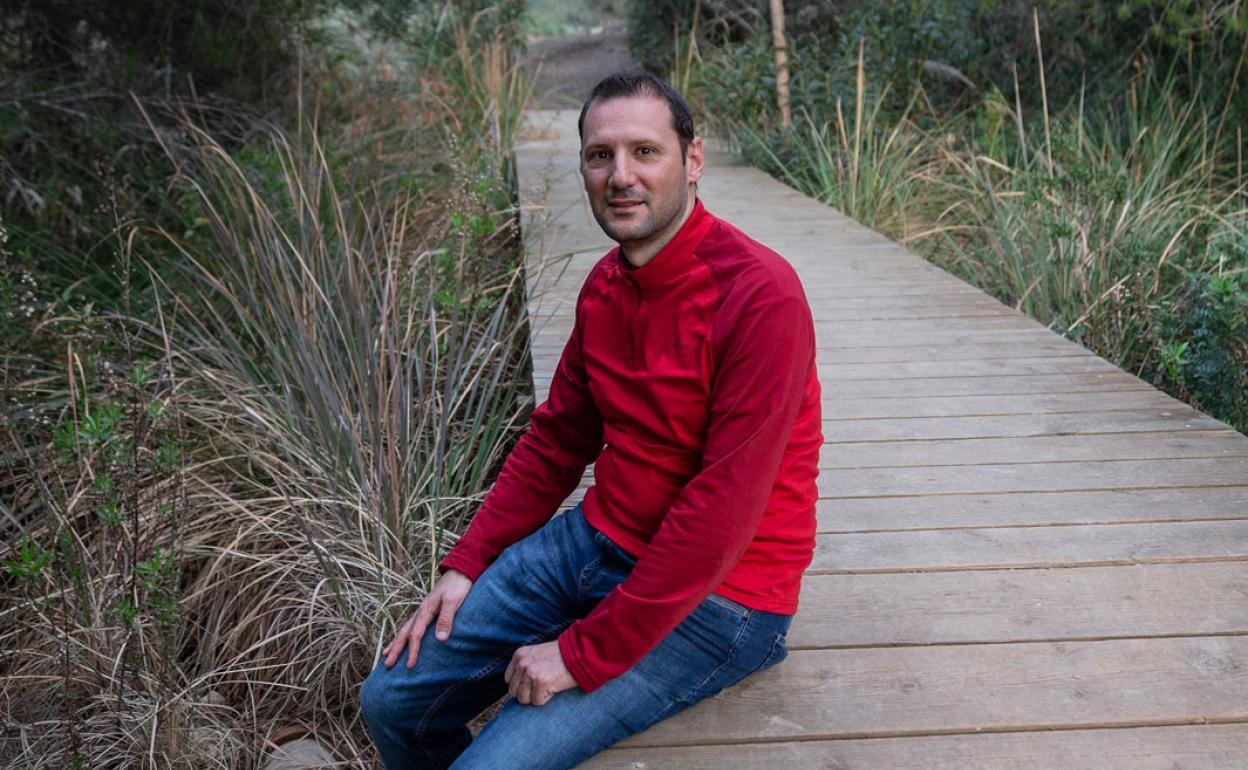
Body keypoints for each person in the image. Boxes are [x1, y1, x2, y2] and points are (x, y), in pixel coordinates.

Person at [359, 70, 822, 770]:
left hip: (724, 600)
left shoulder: (760, 295)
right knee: (390, 701)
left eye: (645, 151)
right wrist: (467, 563)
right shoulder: (606, 284)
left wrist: (581, 654)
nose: (621, 176)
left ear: (692, 161)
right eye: (600, 155)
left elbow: (722, 513)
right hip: (596, 542)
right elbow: (557, 441)